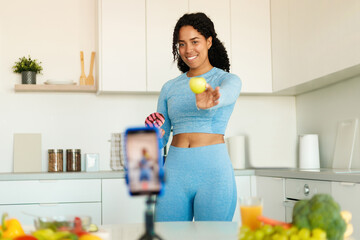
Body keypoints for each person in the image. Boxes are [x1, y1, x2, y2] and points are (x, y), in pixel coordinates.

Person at [155, 12, 242, 222]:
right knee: (167, 236)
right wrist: (153, 134)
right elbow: (161, 137)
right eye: (182, 44)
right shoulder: (169, 88)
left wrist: (213, 100)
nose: (188, 50)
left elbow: (228, 94)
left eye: (195, 42)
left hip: (213, 172)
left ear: (209, 41)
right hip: (174, 172)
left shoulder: (226, 79)